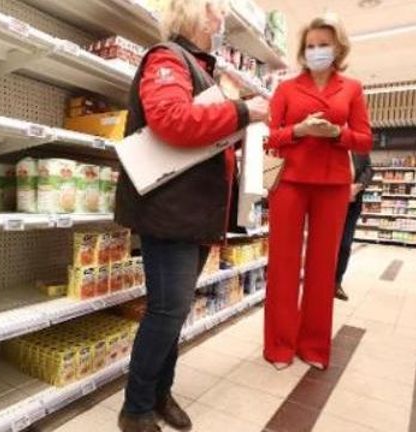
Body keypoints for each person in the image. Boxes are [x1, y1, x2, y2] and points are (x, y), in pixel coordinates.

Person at [114, 0, 269, 430]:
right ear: (199, 14)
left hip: (191, 213)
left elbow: (202, 135)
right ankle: (137, 407)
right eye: (218, 10)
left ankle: (160, 394)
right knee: (167, 310)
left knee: (175, 311)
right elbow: (171, 120)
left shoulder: (200, 68)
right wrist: (242, 112)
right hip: (169, 212)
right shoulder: (167, 58)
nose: (222, 19)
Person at [263, 15, 372, 371]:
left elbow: (365, 139)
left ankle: (313, 345)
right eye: (310, 46)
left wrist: (335, 135)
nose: (316, 51)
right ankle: (279, 345)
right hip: (290, 183)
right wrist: (299, 129)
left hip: (333, 185)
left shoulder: (352, 88)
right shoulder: (286, 89)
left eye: (323, 45)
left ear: (337, 48)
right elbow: (271, 136)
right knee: (283, 264)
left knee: (323, 267)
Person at [335, 153, 373, 301]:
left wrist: (358, 186)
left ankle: (336, 282)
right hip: (331, 200)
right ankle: (321, 282)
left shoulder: (359, 147)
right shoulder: (332, 143)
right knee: (326, 244)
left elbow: (369, 169)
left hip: (352, 204)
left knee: (345, 245)